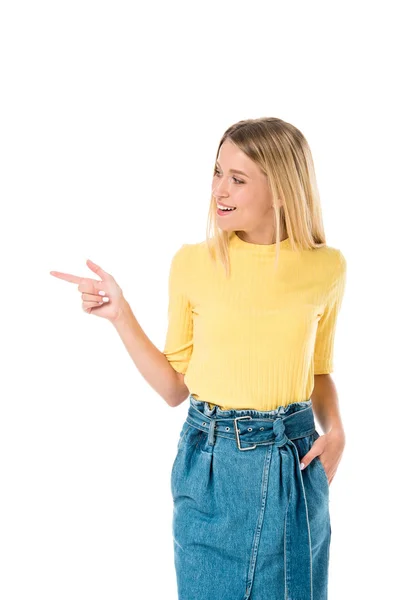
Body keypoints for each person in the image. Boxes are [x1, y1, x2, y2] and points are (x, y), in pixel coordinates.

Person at [50, 116, 347, 600]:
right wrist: (120, 315)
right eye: (216, 172)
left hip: (292, 462)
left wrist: (335, 430)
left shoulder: (326, 267)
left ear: (281, 190)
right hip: (208, 464)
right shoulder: (193, 264)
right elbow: (173, 389)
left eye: (238, 178)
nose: (219, 189)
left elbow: (318, 369)